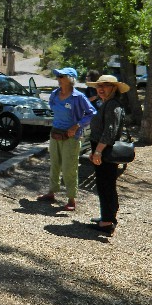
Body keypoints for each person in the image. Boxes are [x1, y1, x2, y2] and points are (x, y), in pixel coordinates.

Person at [38, 67, 96, 210]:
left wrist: (77, 126)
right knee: (54, 164)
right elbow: (53, 109)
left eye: (62, 76)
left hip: (71, 137)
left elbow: (92, 113)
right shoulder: (54, 94)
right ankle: (51, 193)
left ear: (70, 79)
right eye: (58, 76)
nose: (59, 79)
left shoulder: (79, 97)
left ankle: (71, 200)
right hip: (55, 134)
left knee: (69, 167)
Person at [85, 75, 130, 236]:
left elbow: (109, 132)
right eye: (99, 86)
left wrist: (98, 151)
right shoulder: (108, 104)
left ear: (114, 88)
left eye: (106, 86)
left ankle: (107, 222)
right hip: (101, 150)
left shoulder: (112, 105)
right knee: (105, 184)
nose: (101, 89)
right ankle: (107, 217)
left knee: (106, 185)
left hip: (104, 151)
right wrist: (94, 150)